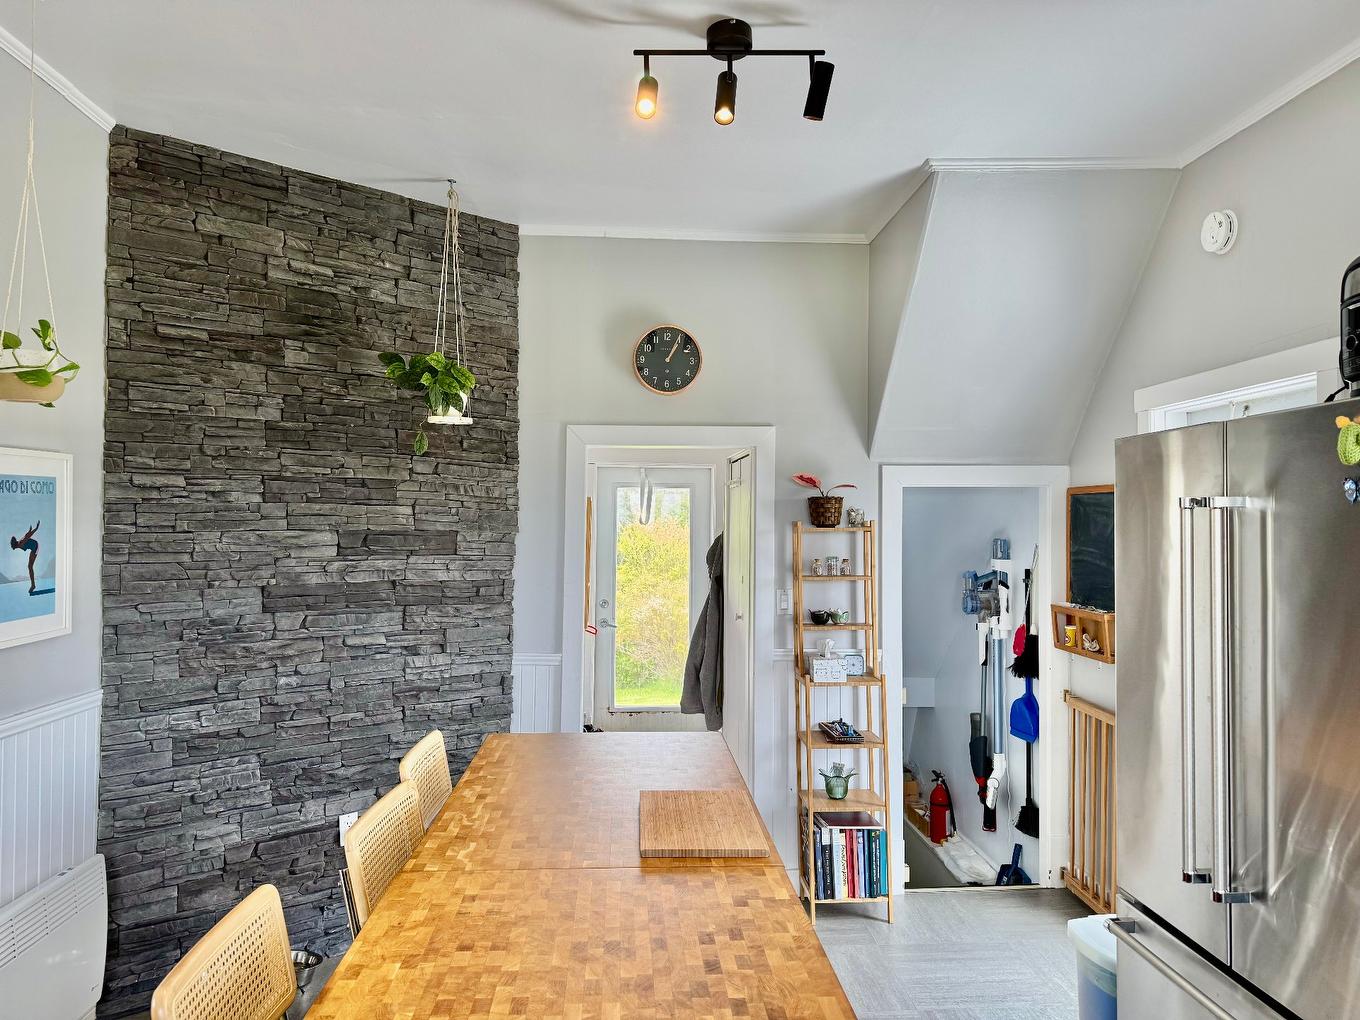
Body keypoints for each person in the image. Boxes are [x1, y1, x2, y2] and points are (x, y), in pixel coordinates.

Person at [9, 520, 39, 594]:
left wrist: (36, 528)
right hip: (32, 548)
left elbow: (28, 535)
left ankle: (33, 585)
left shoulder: (21, 542)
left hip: (35, 547)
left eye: (13, 546)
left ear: (15, 544)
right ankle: (33, 585)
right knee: (29, 567)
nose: (14, 548)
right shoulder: (19, 543)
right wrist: (29, 530)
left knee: (30, 567)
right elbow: (27, 534)